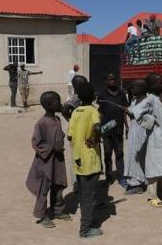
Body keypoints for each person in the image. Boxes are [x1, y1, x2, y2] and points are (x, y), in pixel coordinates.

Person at [128, 73, 162, 207]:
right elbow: (135, 111)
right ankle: (152, 196)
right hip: (155, 138)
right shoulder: (149, 99)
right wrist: (140, 116)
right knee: (153, 167)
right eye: (160, 83)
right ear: (152, 85)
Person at [26, 91, 71, 228]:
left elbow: (60, 136)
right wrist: (52, 148)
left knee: (58, 185)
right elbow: (36, 143)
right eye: (57, 101)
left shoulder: (57, 120)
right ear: (48, 105)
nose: (60, 103)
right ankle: (42, 215)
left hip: (58, 160)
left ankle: (57, 210)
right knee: (44, 188)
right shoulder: (41, 123)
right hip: (46, 162)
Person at [68, 82, 104, 238]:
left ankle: (86, 222)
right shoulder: (92, 111)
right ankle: (85, 230)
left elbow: (69, 135)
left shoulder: (76, 111)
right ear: (92, 96)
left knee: (83, 194)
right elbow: (97, 127)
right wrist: (95, 138)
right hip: (89, 158)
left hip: (77, 157)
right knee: (89, 195)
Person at [97, 73, 129, 187]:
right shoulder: (102, 95)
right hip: (107, 130)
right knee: (107, 154)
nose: (113, 81)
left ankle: (121, 177)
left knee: (119, 153)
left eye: (114, 79)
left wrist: (127, 127)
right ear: (106, 81)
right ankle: (109, 177)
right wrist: (99, 129)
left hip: (119, 129)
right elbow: (100, 113)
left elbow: (125, 111)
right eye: (110, 80)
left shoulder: (121, 94)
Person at [61, 75, 88, 192]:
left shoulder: (81, 96)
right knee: (78, 157)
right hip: (78, 134)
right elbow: (65, 109)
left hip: (82, 132)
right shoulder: (77, 98)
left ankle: (80, 182)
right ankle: (78, 184)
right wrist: (74, 120)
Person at [123, 79, 148, 195]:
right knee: (132, 156)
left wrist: (127, 111)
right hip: (134, 132)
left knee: (139, 157)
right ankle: (134, 181)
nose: (132, 90)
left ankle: (138, 183)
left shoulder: (147, 101)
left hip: (141, 133)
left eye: (134, 87)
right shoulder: (135, 101)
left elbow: (135, 114)